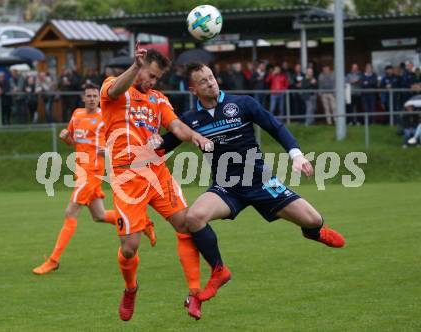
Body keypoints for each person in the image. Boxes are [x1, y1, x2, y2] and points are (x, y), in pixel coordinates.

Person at [155, 62, 345, 303]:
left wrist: (296, 155)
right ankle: (219, 271)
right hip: (227, 187)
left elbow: (275, 126)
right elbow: (163, 145)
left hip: (261, 181)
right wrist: (146, 142)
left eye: (211, 77)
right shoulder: (191, 120)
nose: (210, 82)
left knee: (314, 220)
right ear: (193, 89)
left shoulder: (242, 103)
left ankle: (314, 233)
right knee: (194, 217)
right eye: (203, 81)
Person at [99, 45, 214, 322]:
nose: (152, 82)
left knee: (186, 225)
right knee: (129, 247)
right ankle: (131, 288)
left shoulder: (158, 99)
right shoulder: (115, 88)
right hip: (127, 177)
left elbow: (175, 126)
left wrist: (194, 136)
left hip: (156, 171)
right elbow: (115, 91)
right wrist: (136, 68)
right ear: (140, 67)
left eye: (156, 78)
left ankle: (194, 293)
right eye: (150, 75)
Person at [33, 84, 121, 274]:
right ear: (83, 98)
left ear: (99, 98)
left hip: (93, 172)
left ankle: (53, 260)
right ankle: (140, 221)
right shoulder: (77, 114)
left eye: (94, 96)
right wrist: (66, 137)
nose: (91, 98)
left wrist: (108, 150)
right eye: (88, 95)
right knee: (99, 215)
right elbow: (73, 141)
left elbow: (118, 141)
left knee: (70, 212)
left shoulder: (104, 117)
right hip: (80, 170)